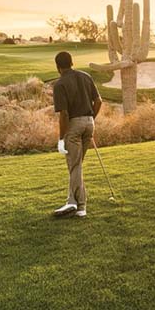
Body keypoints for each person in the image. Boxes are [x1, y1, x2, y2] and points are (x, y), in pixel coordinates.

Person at [51, 51, 102, 218]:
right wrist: (90, 120)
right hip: (89, 123)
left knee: (74, 165)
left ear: (58, 67)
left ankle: (73, 203)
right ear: (72, 62)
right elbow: (99, 101)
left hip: (74, 125)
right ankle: (79, 207)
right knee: (77, 165)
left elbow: (64, 114)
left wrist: (60, 139)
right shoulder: (86, 76)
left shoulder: (60, 84)